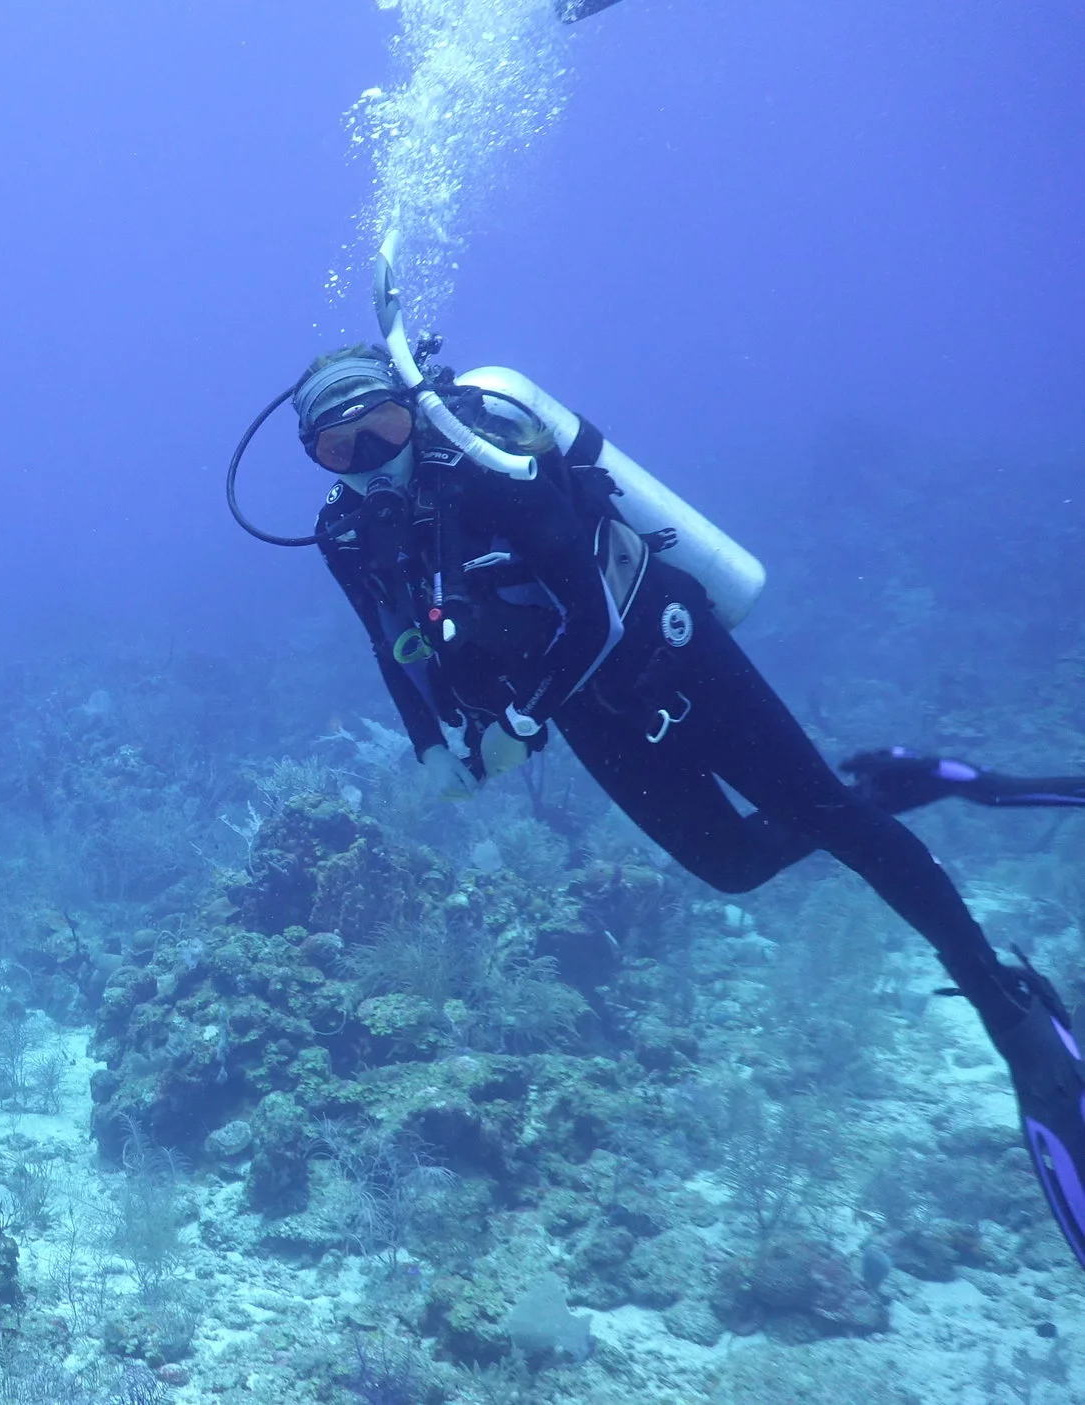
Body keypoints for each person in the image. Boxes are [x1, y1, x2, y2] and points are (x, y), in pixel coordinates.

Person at [289, 344, 1085, 1269]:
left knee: (835, 823)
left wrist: (515, 719)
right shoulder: (345, 534)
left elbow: (590, 609)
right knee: (736, 866)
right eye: (338, 450)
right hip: (590, 711)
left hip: (668, 647)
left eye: (380, 429)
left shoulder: (490, 459)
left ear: (411, 411)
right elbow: (392, 649)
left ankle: (1011, 1015)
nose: (368, 459)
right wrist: (434, 748)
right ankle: (895, 777)